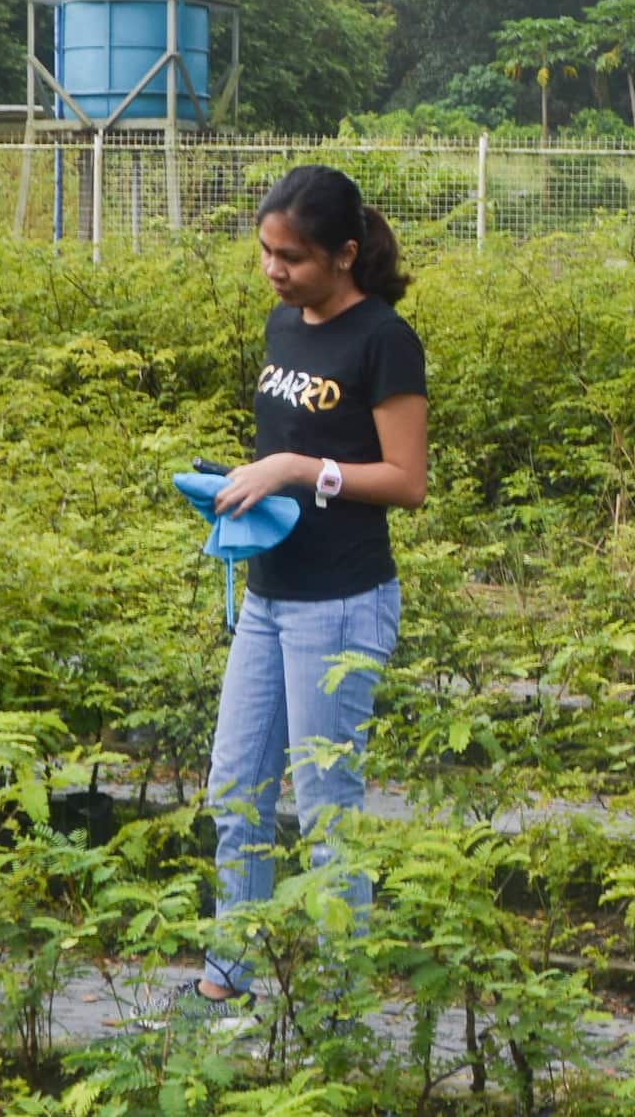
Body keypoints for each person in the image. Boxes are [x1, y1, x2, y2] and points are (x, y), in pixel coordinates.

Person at [153, 164, 427, 1027]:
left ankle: (337, 1006)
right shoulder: (284, 324)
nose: (275, 271)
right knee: (235, 787)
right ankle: (228, 973)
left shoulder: (385, 338)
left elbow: (406, 481)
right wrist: (242, 481)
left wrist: (299, 469)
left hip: (341, 602)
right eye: (266, 252)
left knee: (324, 807)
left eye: (294, 257)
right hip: (271, 593)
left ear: (344, 254)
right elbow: (288, 447)